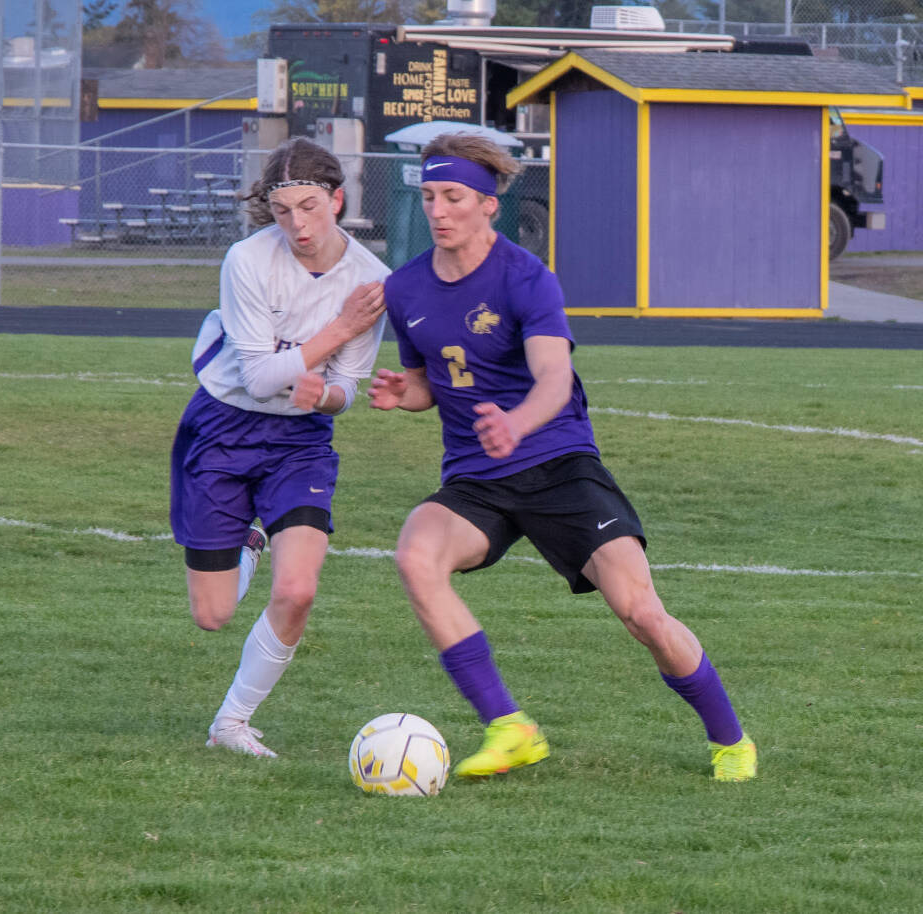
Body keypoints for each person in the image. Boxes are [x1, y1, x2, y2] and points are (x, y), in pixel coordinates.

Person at [369, 133, 756, 782]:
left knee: (642, 614)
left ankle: (730, 740)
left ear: (488, 204)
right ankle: (509, 727)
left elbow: (552, 378)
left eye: (454, 197)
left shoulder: (526, 278)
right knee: (415, 554)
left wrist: (514, 424)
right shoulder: (406, 290)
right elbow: (432, 381)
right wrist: (401, 392)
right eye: (429, 196)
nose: (438, 210)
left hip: (558, 464)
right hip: (476, 479)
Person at [171, 137, 389, 758]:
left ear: (338, 200)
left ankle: (231, 724)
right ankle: (246, 543)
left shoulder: (373, 280)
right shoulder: (247, 260)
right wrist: (341, 328)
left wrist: (325, 400)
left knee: (298, 591)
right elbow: (261, 377)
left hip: (299, 443)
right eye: (284, 209)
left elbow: (347, 387)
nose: (297, 223)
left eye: (310, 207)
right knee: (211, 616)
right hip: (223, 427)